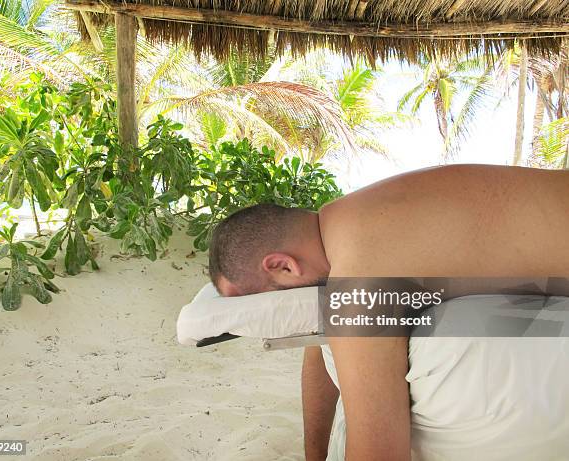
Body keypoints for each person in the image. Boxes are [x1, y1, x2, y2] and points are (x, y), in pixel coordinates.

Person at [208, 164, 569, 461]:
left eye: (262, 300)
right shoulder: (354, 215)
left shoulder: (358, 283)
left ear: (283, 266)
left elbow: (379, 452)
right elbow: (318, 341)